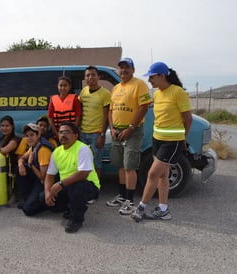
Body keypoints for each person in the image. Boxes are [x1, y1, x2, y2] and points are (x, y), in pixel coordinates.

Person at [131, 62, 192, 222]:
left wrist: (183, 137)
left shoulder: (178, 92)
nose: (149, 80)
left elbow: (188, 118)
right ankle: (164, 210)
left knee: (152, 173)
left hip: (172, 142)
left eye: (152, 77)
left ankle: (141, 208)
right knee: (162, 176)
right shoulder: (157, 94)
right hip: (157, 140)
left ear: (162, 76)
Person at [106, 58, 153, 215]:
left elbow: (144, 107)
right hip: (117, 131)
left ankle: (130, 201)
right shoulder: (116, 87)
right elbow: (111, 111)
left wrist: (131, 128)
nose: (123, 70)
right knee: (120, 165)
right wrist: (112, 128)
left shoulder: (139, 84)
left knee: (130, 166)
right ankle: (122, 196)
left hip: (132, 131)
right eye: (121, 68)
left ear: (133, 69)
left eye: (127, 67)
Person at [43, 122, 100, 233]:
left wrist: (60, 184)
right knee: (44, 200)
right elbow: (49, 175)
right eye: (60, 132)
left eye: (67, 132)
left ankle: (76, 219)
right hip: (66, 185)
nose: (63, 135)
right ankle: (70, 206)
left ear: (76, 135)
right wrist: (47, 193)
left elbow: (83, 173)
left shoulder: (83, 149)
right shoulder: (57, 152)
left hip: (87, 185)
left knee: (76, 188)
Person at [78, 66, 111, 180]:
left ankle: (95, 189)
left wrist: (102, 135)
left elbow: (107, 116)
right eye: (88, 75)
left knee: (96, 163)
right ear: (84, 78)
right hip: (83, 133)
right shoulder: (84, 91)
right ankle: (85, 186)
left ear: (98, 77)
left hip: (96, 134)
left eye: (93, 75)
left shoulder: (105, 93)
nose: (90, 77)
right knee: (83, 162)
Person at [16, 123, 54, 215]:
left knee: (28, 210)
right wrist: (21, 164)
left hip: (48, 181)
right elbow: (21, 158)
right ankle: (29, 200)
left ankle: (46, 205)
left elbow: (42, 177)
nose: (29, 138)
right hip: (39, 178)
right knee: (19, 169)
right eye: (27, 136)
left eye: (32, 135)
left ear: (38, 135)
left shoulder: (43, 149)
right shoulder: (34, 146)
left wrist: (31, 164)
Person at [0, 115, 20, 202]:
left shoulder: (14, 140)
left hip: (13, 169)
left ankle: (14, 194)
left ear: (12, 127)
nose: (4, 128)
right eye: (2, 126)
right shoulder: (2, 139)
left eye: (7, 126)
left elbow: (5, 150)